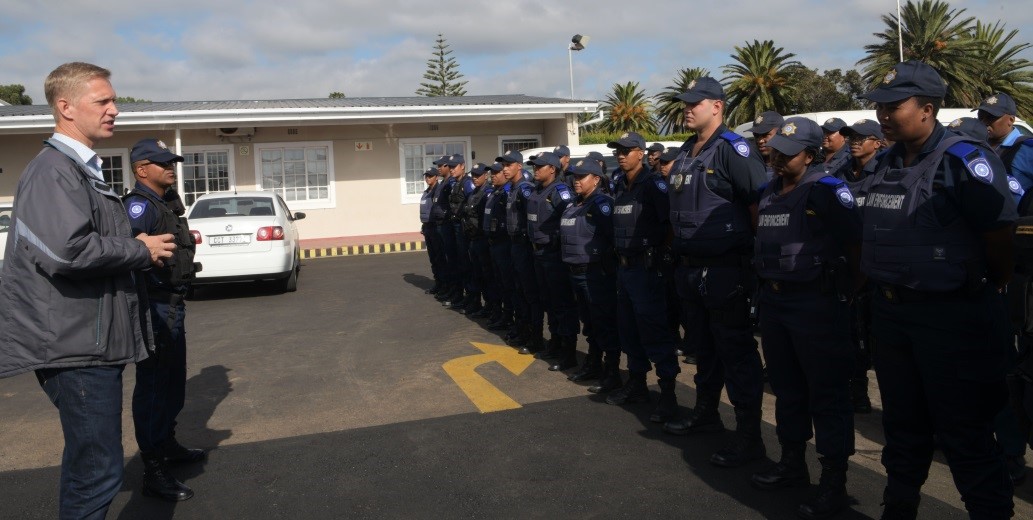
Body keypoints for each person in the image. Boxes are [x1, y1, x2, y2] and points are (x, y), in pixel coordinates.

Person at [0, 62, 175, 519]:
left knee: (91, 464)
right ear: (65, 107)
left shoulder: (79, 170)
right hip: (75, 348)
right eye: (103, 101)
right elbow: (66, 252)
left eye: (113, 100)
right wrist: (140, 249)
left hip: (87, 343)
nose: (115, 109)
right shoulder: (53, 172)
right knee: (97, 471)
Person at [857, 60, 1016, 518]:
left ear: (927, 109)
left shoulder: (965, 160)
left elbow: (998, 238)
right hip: (893, 316)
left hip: (949, 319)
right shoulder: (887, 160)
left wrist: (989, 284)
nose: (883, 114)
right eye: (879, 106)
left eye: (893, 106)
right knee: (903, 426)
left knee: (964, 433)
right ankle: (900, 506)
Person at [748, 118, 862, 519]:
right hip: (776, 304)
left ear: (810, 156)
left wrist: (847, 295)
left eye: (786, 151)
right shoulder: (769, 191)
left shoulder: (828, 190)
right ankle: (792, 463)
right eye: (775, 149)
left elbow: (855, 245)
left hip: (816, 304)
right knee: (788, 389)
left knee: (827, 396)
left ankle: (834, 481)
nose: (777, 156)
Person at [662, 77, 769, 469]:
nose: (687, 109)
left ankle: (749, 437)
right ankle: (706, 413)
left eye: (695, 103)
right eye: (685, 103)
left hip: (725, 270)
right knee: (703, 351)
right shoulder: (688, 150)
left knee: (736, 354)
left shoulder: (733, 151)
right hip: (691, 271)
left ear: (717, 107)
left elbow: (760, 207)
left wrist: (755, 263)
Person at [124, 138, 205, 502]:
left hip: (172, 305)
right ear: (142, 170)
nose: (171, 167)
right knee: (155, 387)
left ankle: (167, 444)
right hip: (153, 307)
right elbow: (129, 252)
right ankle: (153, 468)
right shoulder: (139, 207)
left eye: (172, 162)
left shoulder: (164, 203)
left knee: (173, 381)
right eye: (162, 163)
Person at [603, 131, 680, 424]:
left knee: (654, 330)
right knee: (629, 330)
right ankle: (637, 384)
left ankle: (668, 394)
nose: (621, 155)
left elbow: (669, 223)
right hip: (625, 269)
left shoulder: (653, 184)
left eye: (627, 150)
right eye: (618, 151)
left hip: (647, 269)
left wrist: (663, 258)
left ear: (641, 153)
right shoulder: (621, 184)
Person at [836, 119, 887, 416]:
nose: (854, 141)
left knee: (874, 335)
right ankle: (857, 389)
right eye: (851, 137)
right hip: (847, 263)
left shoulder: (885, 173)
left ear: (878, 142)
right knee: (849, 332)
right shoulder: (841, 174)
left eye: (861, 137)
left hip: (875, 267)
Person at [559, 158, 623, 392]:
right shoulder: (575, 204)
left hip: (595, 274)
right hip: (576, 273)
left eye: (581, 177)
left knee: (604, 323)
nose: (576, 181)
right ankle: (594, 364)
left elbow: (611, 239)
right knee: (590, 324)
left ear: (596, 179)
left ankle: (612, 372)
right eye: (574, 177)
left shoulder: (601, 204)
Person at [525, 152, 579, 370]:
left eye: (540, 166)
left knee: (562, 304)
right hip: (538, 254)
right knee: (548, 301)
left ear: (553, 169)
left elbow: (570, 218)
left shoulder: (560, 192)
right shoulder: (538, 190)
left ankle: (569, 351)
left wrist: (557, 242)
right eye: (534, 166)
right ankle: (555, 342)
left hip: (553, 255)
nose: (535, 170)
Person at [501, 150, 544, 352]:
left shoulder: (525, 189)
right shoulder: (512, 188)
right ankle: (523, 330)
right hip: (514, 245)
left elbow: (533, 218)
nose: (505, 169)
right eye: (503, 165)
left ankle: (535, 337)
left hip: (525, 246)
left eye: (509, 165)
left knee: (529, 293)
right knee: (518, 290)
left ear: (519, 166)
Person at [483, 162, 517, 333]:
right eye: (493, 172)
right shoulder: (495, 192)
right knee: (497, 282)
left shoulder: (507, 193)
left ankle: (509, 317)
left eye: (497, 172)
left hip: (504, 244)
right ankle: (501, 314)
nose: (494, 175)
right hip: (493, 243)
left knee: (507, 284)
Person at [462, 163, 498, 320]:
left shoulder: (487, 193)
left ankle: (492, 307)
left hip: (483, 240)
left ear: (486, 175)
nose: (475, 178)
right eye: (473, 176)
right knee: (478, 275)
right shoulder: (474, 193)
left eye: (478, 175)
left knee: (488, 276)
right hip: (473, 239)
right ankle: (485, 305)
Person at [977, 92, 1033, 190]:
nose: (984, 122)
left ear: (1011, 120)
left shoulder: (1026, 149)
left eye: (991, 117)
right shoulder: (978, 145)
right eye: (980, 117)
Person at [446, 154, 479, 314]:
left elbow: (472, 206)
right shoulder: (455, 183)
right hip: (456, 228)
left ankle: (474, 300)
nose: (451, 169)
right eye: (450, 167)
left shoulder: (467, 184)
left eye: (454, 167)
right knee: (461, 265)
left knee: (468, 265)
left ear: (462, 166)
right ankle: (467, 297)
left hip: (465, 230)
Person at [420, 167, 446, 295]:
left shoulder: (438, 191)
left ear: (436, 177)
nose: (427, 178)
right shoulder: (426, 192)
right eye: (426, 176)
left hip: (435, 227)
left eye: (430, 176)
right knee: (433, 259)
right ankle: (438, 283)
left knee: (439, 258)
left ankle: (444, 285)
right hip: (427, 228)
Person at [749, 110, 783, 178]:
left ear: (780, 133)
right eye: (756, 136)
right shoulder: (750, 165)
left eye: (765, 135)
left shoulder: (789, 168)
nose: (760, 141)